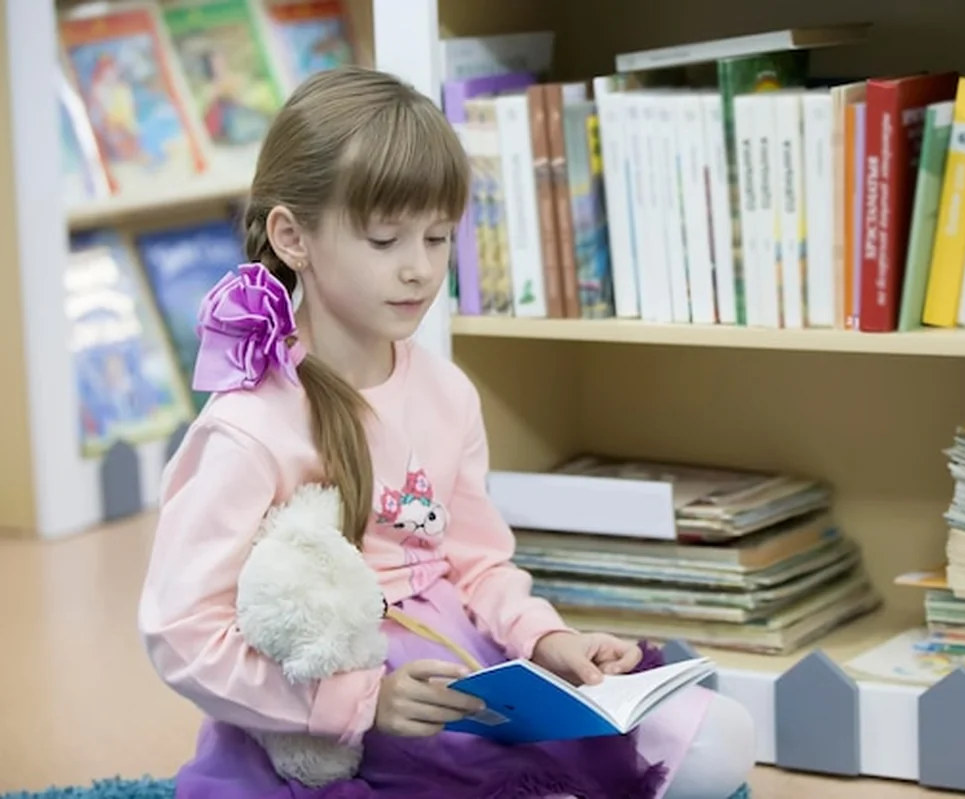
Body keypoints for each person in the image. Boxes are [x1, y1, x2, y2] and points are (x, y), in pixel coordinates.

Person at [138, 65, 756, 799]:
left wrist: (545, 639)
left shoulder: (446, 392)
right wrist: (362, 706)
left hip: (464, 672)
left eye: (437, 237)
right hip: (329, 712)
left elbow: (477, 562)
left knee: (720, 740)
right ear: (291, 236)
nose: (419, 270)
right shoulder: (248, 425)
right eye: (384, 239)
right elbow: (181, 629)